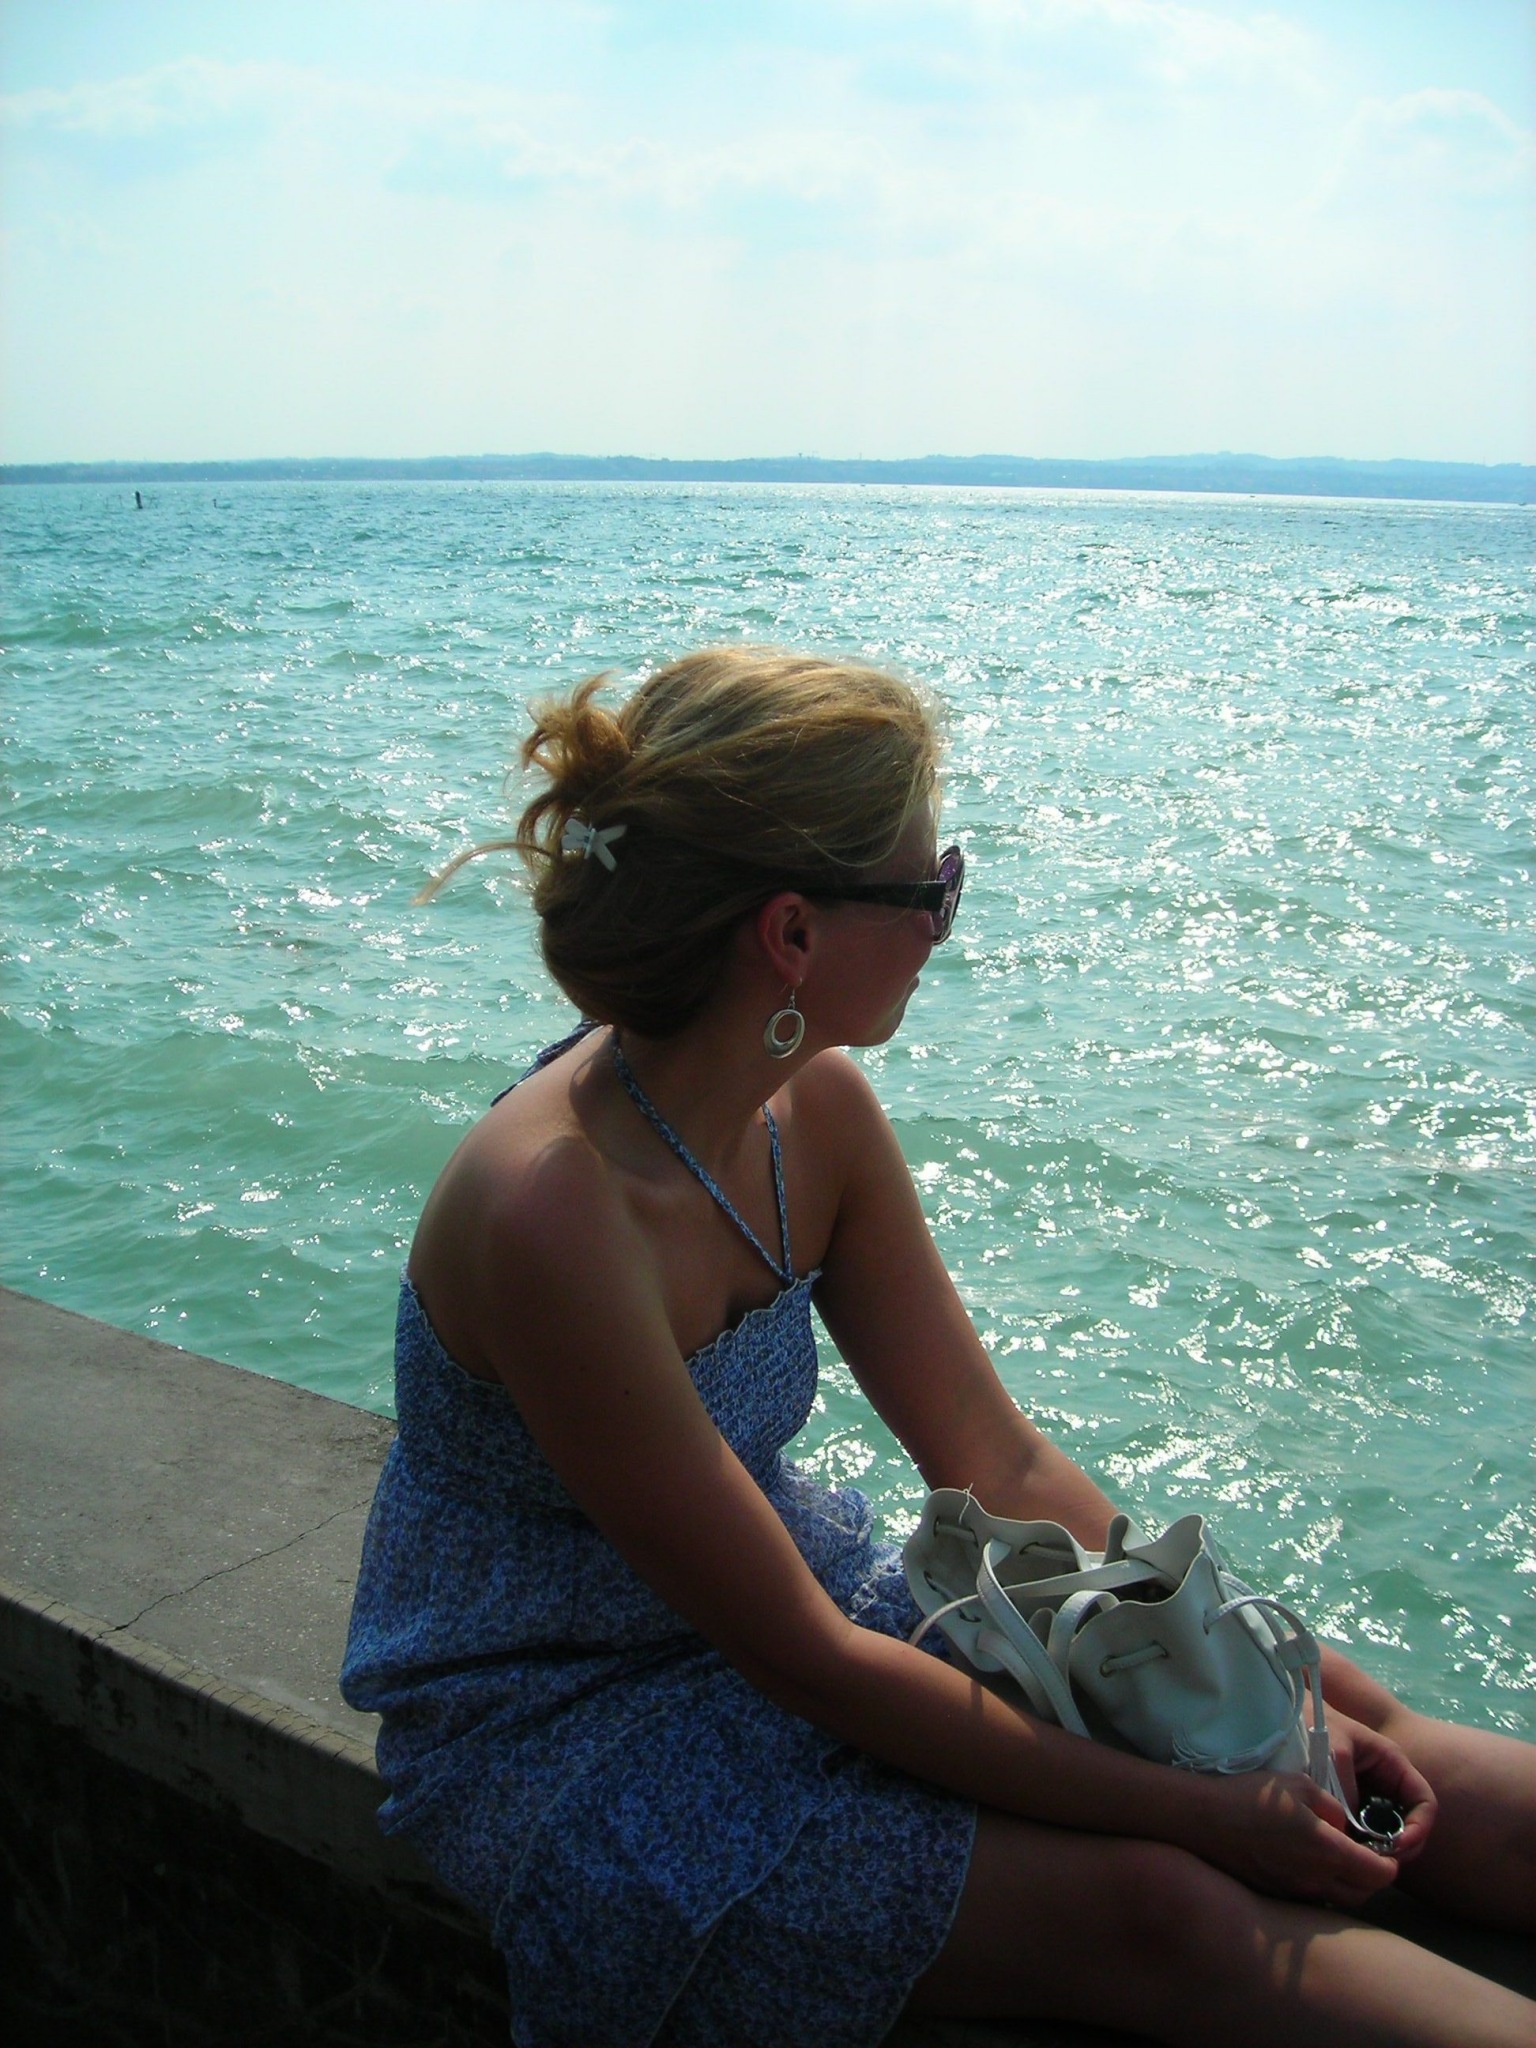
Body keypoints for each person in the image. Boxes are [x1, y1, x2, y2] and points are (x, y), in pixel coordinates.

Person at [342, 646, 1534, 2048]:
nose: (946, 925)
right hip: (568, 1713)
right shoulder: (555, 1214)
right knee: (1168, 1908)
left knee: (1355, 1748)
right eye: (936, 888)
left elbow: (995, 1459)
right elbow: (807, 1661)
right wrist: (1207, 1812)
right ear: (792, 933)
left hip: (784, 1606)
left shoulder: (814, 1113)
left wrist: (1307, 1699)